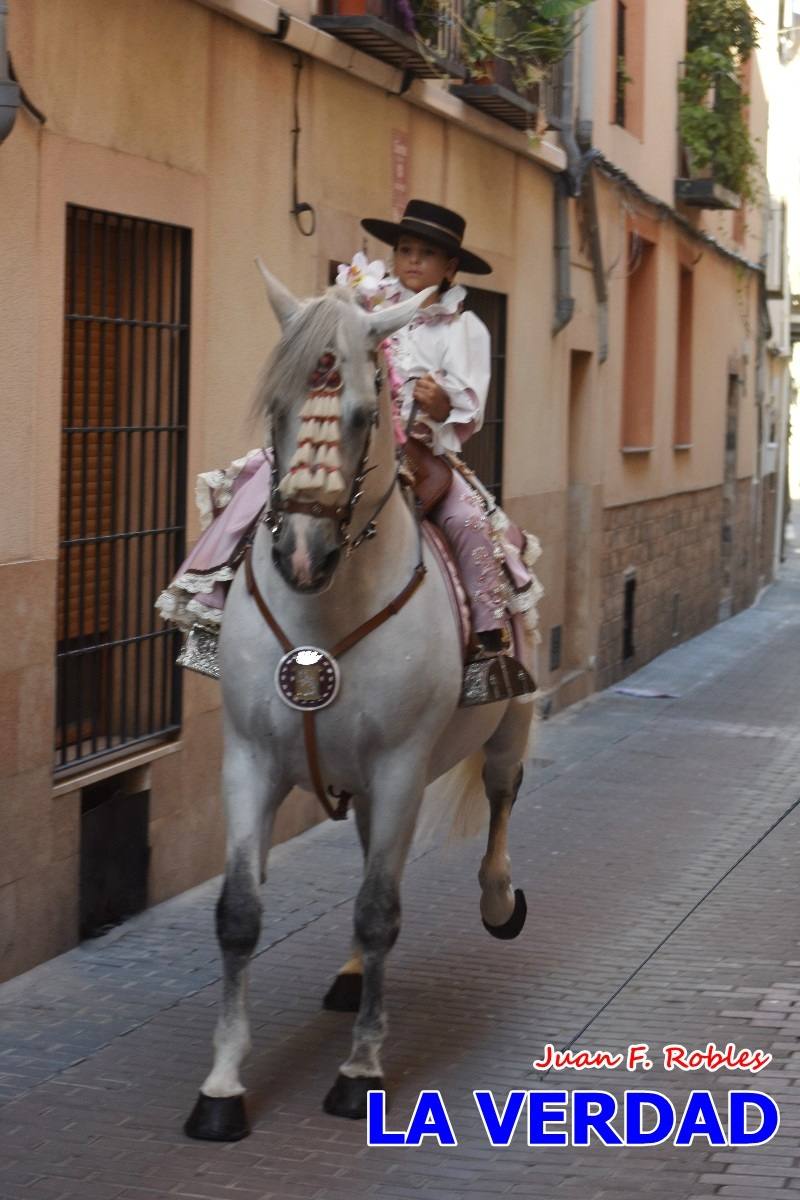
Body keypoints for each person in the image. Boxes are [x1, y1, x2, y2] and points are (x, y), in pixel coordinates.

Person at [156, 200, 542, 688]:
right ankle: (214, 601)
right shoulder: (364, 305)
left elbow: (471, 405)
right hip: (340, 436)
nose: (413, 261)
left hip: (422, 454)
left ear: (450, 268)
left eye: (427, 253)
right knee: (258, 483)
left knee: (467, 520)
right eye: (405, 250)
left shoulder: (464, 327)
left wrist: (442, 401)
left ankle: (487, 645)